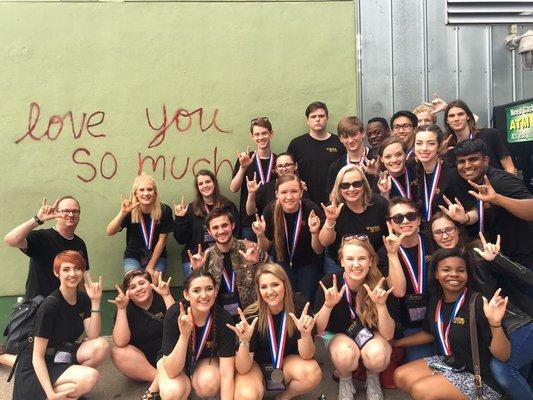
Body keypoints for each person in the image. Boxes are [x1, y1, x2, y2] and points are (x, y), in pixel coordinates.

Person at [430, 213, 533, 400]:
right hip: (493, 329)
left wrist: (496, 259)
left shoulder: (477, 251)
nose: (444, 236)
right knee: (518, 382)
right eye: (438, 232)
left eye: (449, 229)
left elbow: (527, 277)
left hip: (515, 324)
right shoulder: (445, 262)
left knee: (503, 369)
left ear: (458, 230)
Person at [394, 248, 511, 400]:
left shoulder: (478, 303)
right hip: (450, 363)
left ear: (467, 274)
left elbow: (504, 355)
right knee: (400, 376)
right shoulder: (436, 300)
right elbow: (430, 333)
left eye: (460, 270)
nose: (454, 274)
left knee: (421, 390)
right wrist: (396, 343)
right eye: (446, 269)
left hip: (478, 377)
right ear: (436, 273)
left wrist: (495, 323)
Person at [12, 250, 109, 400]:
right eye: (66, 269)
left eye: (77, 268)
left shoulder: (83, 298)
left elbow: (93, 335)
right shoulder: (50, 306)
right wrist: (51, 394)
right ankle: (51, 394)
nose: (73, 273)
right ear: (56, 273)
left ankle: (72, 388)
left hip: (61, 354)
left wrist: (96, 301)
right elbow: (37, 357)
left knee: (101, 346)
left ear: (83, 271)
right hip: (38, 364)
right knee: (90, 377)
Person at [314, 237, 395, 400]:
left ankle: (372, 377)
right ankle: (345, 378)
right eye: (350, 259)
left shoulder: (379, 283)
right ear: (342, 261)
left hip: (370, 335)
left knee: (378, 355)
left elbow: (388, 335)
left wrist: (381, 305)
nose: (356, 264)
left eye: (362, 258)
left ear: (371, 261)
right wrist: (328, 306)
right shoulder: (329, 282)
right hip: (338, 335)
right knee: (345, 354)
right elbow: (318, 330)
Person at [230, 263, 322, 400]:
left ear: (285, 284)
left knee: (312, 372)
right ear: (259, 290)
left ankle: (284, 397)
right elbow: (243, 369)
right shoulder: (250, 315)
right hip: (255, 366)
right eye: (263, 287)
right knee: (246, 395)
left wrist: (305, 334)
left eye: (275, 284)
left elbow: (307, 355)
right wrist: (244, 342)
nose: (270, 291)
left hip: (286, 362)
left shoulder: (299, 307)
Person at [452, 139, 533, 268]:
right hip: (501, 258)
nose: (467, 165)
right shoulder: (474, 182)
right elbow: (483, 209)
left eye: (473, 159)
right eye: (461, 161)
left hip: (524, 260)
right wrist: (467, 218)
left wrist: (498, 199)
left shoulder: (501, 181)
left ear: (486, 160)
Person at [157, 270, 236, 400]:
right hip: (174, 362)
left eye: (209, 289)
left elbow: (227, 373)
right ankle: (179, 387)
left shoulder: (224, 319)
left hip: (204, 362)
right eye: (197, 290)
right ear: (186, 295)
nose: (204, 295)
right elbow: (171, 371)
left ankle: (195, 389)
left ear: (215, 292)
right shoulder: (174, 314)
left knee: (209, 383)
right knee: (172, 392)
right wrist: (184, 335)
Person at [377, 197, 436, 362]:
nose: (405, 221)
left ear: (418, 220)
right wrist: (393, 254)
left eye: (410, 216)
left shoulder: (432, 241)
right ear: (390, 223)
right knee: (421, 369)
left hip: (436, 317)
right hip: (408, 323)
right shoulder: (383, 253)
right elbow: (399, 291)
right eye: (397, 218)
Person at [252, 174, 324, 302]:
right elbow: (264, 247)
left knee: (305, 302)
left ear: (301, 193)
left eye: (294, 191)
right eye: (284, 192)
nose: (289, 197)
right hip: (281, 262)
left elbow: (318, 250)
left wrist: (314, 232)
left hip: (307, 264)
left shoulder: (311, 210)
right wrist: (260, 235)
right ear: (276, 194)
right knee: (285, 302)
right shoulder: (270, 210)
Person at [4, 196, 89, 300]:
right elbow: (11, 240)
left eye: (75, 211)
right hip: (39, 307)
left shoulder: (79, 243)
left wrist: (85, 305)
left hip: (67, 308)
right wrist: (37, 220)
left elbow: (81, 279)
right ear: (57, 215)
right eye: (66, 211)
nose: (71, 214)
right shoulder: (41, 237)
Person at [189, 208, 269, 317]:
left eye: (224, 225)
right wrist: (196, 270)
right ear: (209, 231)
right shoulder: (206, 257)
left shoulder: (251, 248)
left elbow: (272, 277)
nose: (221, 231)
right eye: (215, 227)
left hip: (253, 313)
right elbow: (196, 291)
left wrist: (257, 262)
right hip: (219, 318)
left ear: (232, 225)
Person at [110, 271, 176, 400]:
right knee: (118, 352)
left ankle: (157, 385)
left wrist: (167, 295)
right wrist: (121, 309)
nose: (139, 289)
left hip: (167, 355)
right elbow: (120, 341)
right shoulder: (125, 306)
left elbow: (178, 327)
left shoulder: (161, 297)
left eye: (142, 283)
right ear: (127, 292)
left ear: (150, 284)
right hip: (143, 363)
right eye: (132, 287)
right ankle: (161, 378)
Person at [319, 164, 388, 274]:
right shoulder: (333, 207)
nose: (351, 189)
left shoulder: (379, 203)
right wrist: (330, 220)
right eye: (345, 185)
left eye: (357, 184)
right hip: (340, 265)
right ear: (339, 188)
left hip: (374, 264)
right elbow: (325, 242)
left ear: (364, 185)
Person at [173, 169, 240, 278]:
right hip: (195, 257)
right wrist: (180, 218)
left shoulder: (228, 206)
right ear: (198, 188)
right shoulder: (190, 209)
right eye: (200, 183)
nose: (205, 186)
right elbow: (181, 240)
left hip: (223, 255)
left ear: (214, 183)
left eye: (208, 182)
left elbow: (237, 233)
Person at [106, 173, 173, 280]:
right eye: (142, 190)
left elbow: (162, 241)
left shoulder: (164, 210)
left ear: (155, 193)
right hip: (133, 256)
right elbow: (110, 231)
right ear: (135, 194)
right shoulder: (130, 211)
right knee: (135, 283)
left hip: (157, 257)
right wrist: (123, 212)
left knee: (154, 284)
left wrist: (150, 267)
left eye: (149, 189)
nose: (146, 193)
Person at [287, 101, 346, 206]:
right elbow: (288, 171)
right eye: (313, 116)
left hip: (334, 200)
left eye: (321, 116)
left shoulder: (339, 143)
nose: (318, 119)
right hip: (304, 201)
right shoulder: (297, 144)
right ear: (307, 121)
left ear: (327, 118)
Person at [230, 117, 277, 241]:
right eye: (257, 134)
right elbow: (233, 188)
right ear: (252, 137)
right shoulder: (245, 159)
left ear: (271, 134)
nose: (261, 137)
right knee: (250, 259)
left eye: (264, 133)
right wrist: (243, 167)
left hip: (273, 221)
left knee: (271, 260)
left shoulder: (279, 162)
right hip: (249, 222)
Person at [413, 124, 469, 224]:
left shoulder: (452, 174)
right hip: (426, 231)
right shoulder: (416, 171)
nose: (424, 148)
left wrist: (466, 218)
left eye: (431, 143)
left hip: (449, 233)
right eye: (419, 143)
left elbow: (472, 209)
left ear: (439, 146)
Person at [443, 100, 515, 174]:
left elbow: (509, 167)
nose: (456, 119)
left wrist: (508, 184)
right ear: (447, 120)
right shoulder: (448, 147)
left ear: (468, 116)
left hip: (494, 184)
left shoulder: (490, 135)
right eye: (451, 116)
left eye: (460, 114)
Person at [245, 152, 306, 218]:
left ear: (295, 166)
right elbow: (250, 212)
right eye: (280, 166)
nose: (284, 169)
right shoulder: (266, 188)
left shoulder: (301, 187)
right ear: (276, 169)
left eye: (288, 165)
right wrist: (251, 193)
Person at [326, 116, 375, 195]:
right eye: (345, 137)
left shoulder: (376, 157)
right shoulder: (336, 166)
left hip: (375, 206)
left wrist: (376, 173)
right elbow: (333, 196)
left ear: (363, 133)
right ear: (340, 139)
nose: (350, 140)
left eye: (354, 135)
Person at [376, 137, 417, 202]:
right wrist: (385, 194)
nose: (394, 160)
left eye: (398, 154)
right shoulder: (379, 182)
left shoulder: (416, 170)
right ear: (381, 159)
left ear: (405, 154)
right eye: (388, 157)